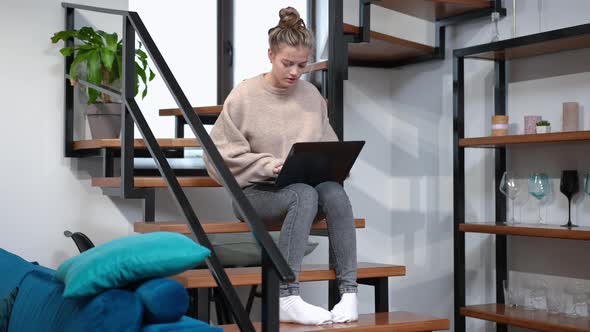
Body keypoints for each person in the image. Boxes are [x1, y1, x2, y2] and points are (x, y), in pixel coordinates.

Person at [204, 7, 358, 325]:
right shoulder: (244, 96)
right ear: (270, 54)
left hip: (302, 191)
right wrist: (266, 166)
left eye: (302, 65)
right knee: (303, 193)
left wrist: (334, 166)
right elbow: (217, 157)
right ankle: (287, 294)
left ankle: (349, 294)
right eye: (287, 63)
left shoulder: (311, 96)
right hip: (255, 193)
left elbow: (326, 145)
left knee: (333, 190)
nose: (294, 72)